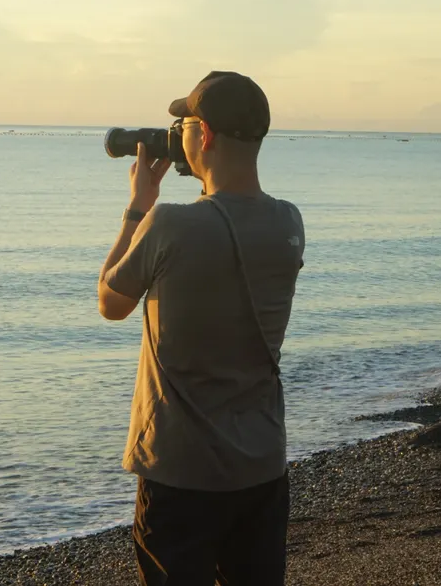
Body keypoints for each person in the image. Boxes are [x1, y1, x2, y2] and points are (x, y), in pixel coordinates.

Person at [97, 70, 306, 586]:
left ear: (204, 134)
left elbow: (110, 301)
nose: (180, 133)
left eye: (184, 123)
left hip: (181, 473)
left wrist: (137, 207)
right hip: (260, 465)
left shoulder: (168, 223)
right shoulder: (289, 223)